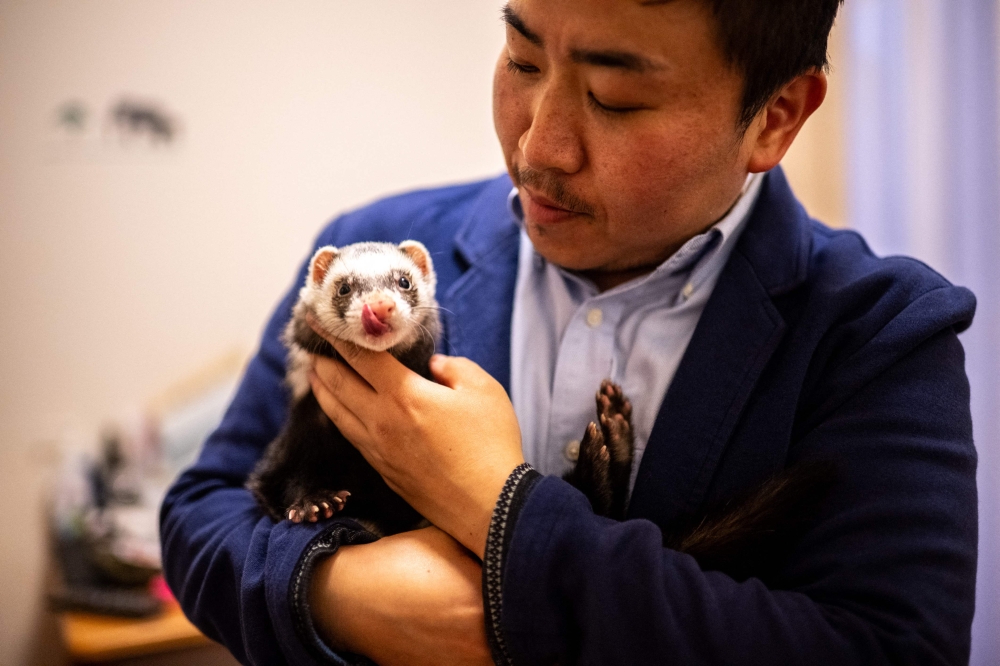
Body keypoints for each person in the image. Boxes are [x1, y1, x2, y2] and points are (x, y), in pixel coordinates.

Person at [160, 0, 979, 664]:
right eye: (521, 61)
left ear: (776, 116)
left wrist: (502, 510)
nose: (536, 146)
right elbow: (202, 514)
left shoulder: (883, 334)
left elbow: (889, 647)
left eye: (616, 99)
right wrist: (335, 590)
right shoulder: (373, 236)